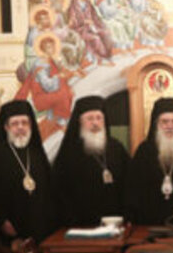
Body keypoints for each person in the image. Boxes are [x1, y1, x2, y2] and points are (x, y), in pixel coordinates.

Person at [0, 99, 56, 243]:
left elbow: (49, 190)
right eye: (15, 123)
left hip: (41, 227)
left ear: (31, 125)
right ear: (6, 127)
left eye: (24, 123)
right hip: (10, 228)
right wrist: (2, 220)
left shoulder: (36, 153)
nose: (20, 127)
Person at [51, 95, 129, 226]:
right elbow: (60, 193)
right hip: (81, 225)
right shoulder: (69, 152)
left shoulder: (117, 148)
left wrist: (126, 215)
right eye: (90, 118)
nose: (95, 123)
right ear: (80, 122)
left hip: (115, 223)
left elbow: (129, 183)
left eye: (99, 118)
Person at [126, 98, 173, 225]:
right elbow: (134, 189)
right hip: (149, 221)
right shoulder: (144, 151)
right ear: (156, 124)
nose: (170, 126)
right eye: (165, 122)